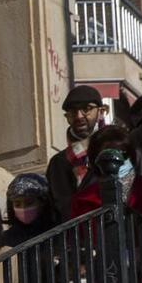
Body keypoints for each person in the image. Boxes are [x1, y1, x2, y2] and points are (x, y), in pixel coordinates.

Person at [68, 123, 142, 244]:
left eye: (123, 154)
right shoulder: (82, 201)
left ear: (132, 157)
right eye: (107, 158)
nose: (116, 162)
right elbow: (76, 247)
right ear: (95, 163)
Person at [47, 86, 105, 218]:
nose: (79, 116)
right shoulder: (59, 162)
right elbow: (61, 208)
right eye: (73, 112)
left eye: (86, 109)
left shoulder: (117, 148)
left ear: (100, 112)